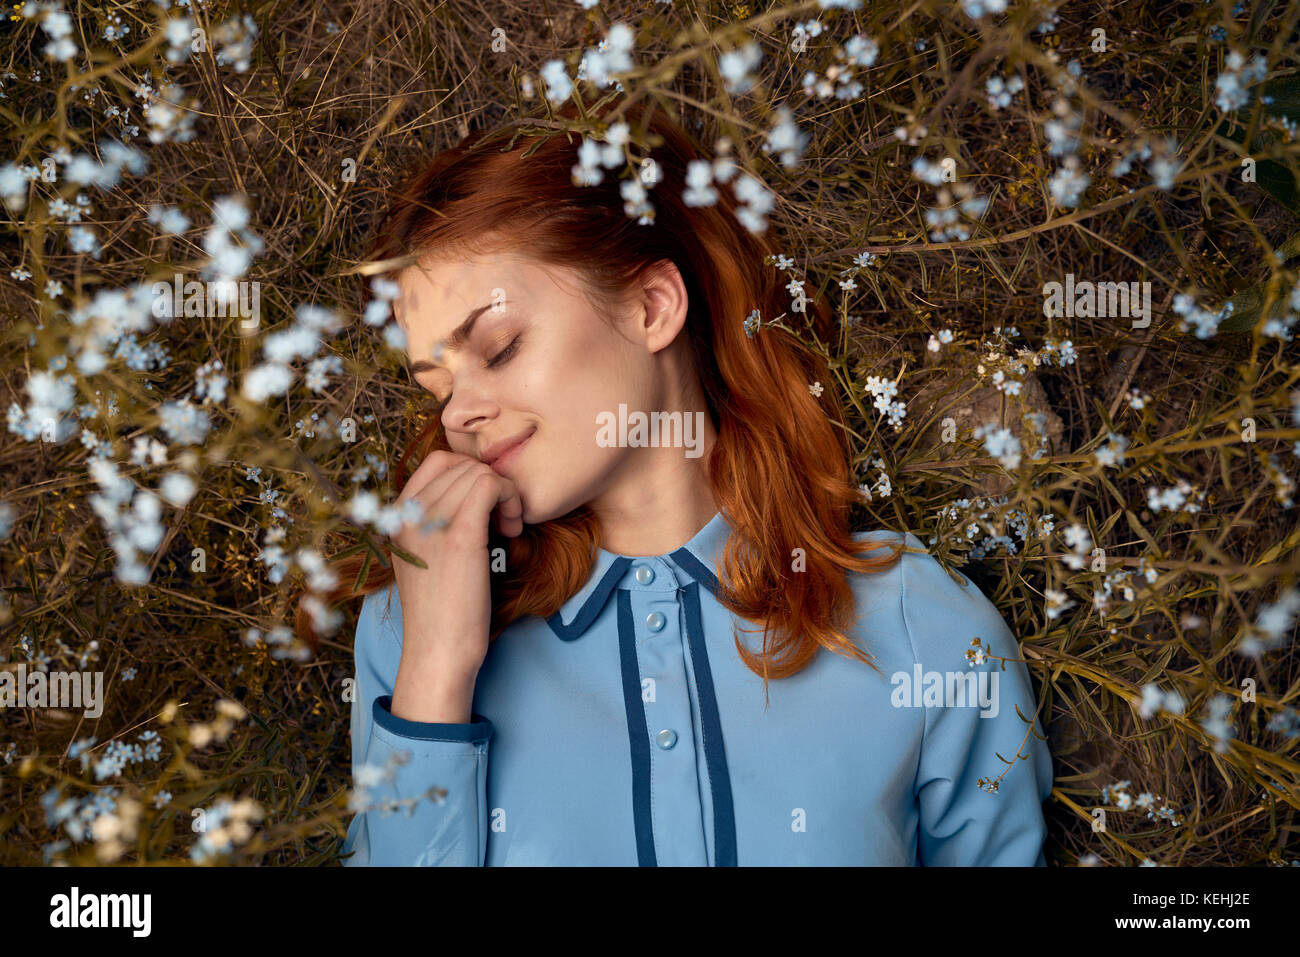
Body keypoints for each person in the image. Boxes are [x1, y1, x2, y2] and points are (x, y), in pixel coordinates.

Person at [312, 98, 1054, 866]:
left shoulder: (921, 629)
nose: (461, 412)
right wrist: (436, 669)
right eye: (436, 387)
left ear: (651, 303)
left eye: (497, 349)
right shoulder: (414, 629)